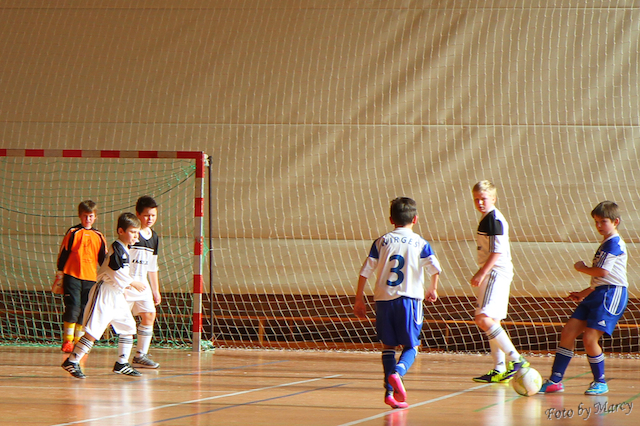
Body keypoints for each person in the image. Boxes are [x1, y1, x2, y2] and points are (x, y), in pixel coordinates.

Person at [354, 197, 441, 409]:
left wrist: (359, 299)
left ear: (391, 219)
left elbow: (365, 272)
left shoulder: (381, 242)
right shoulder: (420, 243)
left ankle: (389, 394)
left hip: (383, 300)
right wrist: (433, 288)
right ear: (415, 219)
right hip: (409, 299)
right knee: (412, 345)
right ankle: (398, 372)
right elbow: (435, 268)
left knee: (388, 346)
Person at [540, 201, 628, 396]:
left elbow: (603, 272)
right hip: (598, 293)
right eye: (596, 222)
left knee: (589, 338)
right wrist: (584, 292)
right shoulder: (605, 243)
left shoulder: (614, 243)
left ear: (615, 222)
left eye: (603, 221)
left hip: (612, 294)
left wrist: (582, 268)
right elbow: (601, 279)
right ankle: (555, 380)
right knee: (568, 332)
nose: (598, 226)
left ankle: (600, 381)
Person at [61, 212, 146, 379]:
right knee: (94, 330)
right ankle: (72, 360)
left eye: (137, 232)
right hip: (105, 293)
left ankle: (122, 363)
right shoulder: (117, 248)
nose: (136, 236)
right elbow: (116, 271)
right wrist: (132, 283)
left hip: (116, 294)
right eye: (132, 232)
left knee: (128, 326)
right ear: (121, 231)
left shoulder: (125, 249)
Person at [470, 180, 528, 383]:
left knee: (482, 318)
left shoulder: (494, 219)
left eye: (483, 198)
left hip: (495, 271)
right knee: (493, 321)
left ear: (493, 198)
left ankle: (516, 358)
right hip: (496, 272)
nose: (480, 202)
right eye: (476, 199)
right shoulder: (487, 218)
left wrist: (481, 272)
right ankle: (499, 368)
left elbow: (497, 251)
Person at [55, 200, 107, 353]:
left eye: (91, 216)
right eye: (85, 216)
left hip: (90, 278)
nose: (88, 219)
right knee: (73, 307)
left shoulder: (99, 236)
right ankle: (68, 340)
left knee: (84, 309)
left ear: (95, 217)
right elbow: (64, 253)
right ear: (80, 215)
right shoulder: (73, 232)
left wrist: (106, 276)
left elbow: (103, 259)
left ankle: (78, 341)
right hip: (72, 275)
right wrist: (60, 272)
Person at [125, 195, 161, 369]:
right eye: (146, 215)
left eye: (153, 215)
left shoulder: (154, 237)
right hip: (126, 283)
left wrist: (155, 290)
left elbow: (153, 266)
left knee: (149, 315)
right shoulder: (132, 234)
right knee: (120, 321)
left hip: (143, 284)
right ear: (138, 214)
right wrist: (126, 281)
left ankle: (140, 355)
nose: (150, 219)